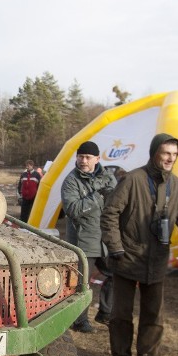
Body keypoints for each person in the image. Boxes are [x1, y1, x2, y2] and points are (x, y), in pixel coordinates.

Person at [101, 133, 178, 356]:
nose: (170, 158)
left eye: (174, 154)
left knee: (154, 315)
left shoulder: (176, 186)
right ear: (155, 152)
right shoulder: (132, 180)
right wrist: (115, 247)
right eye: (166, 153)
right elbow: (110, 213)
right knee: (121, 313)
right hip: (126, 256)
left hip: (156, 260)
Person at [61, 141, 117, 332]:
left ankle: (106, 313)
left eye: (88, 157)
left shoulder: (108, 177)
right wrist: (98, 196)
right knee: (82, 284)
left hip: (106, 239)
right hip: (83, 240)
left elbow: (118, 202)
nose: (84, 161)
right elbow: (72, 209)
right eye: (80, 156)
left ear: (97, 159)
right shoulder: (71, 181)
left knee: (116, 274)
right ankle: (80, 321)